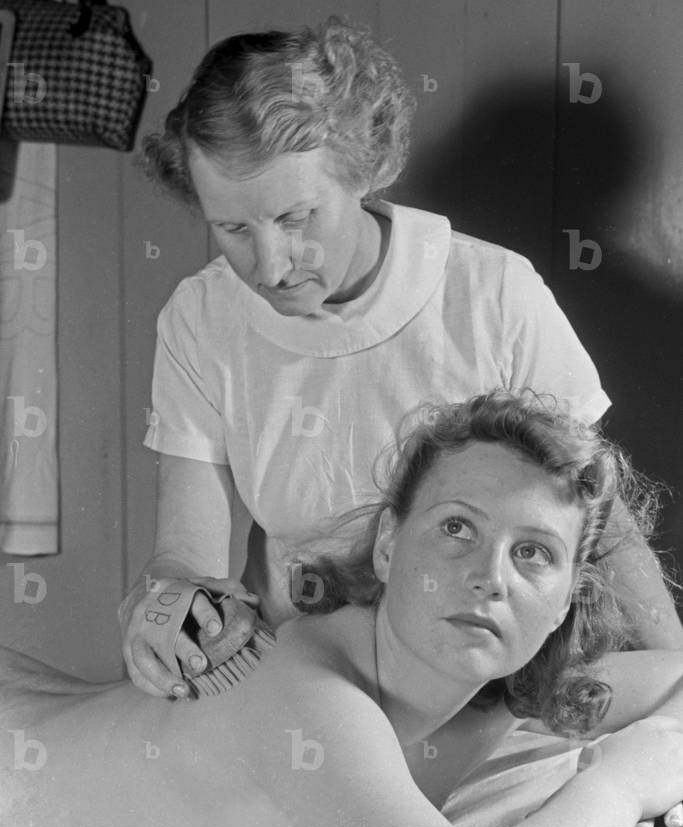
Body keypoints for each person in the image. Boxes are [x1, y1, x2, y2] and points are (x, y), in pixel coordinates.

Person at [3, 393, 683, 827]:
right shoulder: (310, 694)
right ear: (388, 544)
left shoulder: (485, 689)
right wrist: (624, 779)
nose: (489, 576)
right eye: (456, 528)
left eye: (531, 552)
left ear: (566, 599)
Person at [120, 18, 683, 699]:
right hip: (307, 678)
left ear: (363, 168)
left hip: (480, 684)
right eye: (233, 228)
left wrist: (674, 675)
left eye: (298, 217)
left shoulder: (489, 293)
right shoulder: (200, 317)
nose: (269, 265)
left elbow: (596, 512)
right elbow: (185, 559)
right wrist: (162, 610)